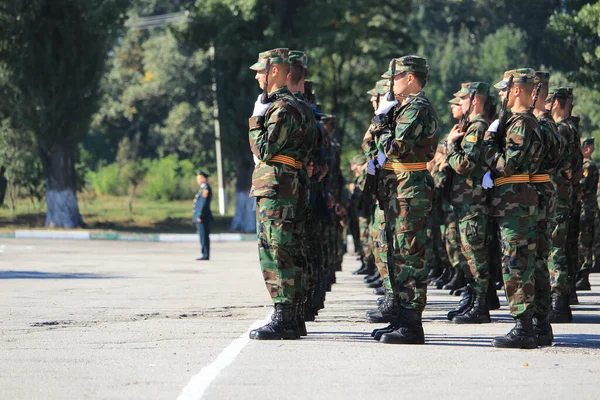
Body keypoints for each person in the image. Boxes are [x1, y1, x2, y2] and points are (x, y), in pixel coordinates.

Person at [368, 56, 440, 344]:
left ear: (411, 78)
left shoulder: (417, 108)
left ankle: (412, 324)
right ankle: (400, 316)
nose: (391, 82)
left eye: (395, 77)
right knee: (397, 253)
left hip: (410, 187)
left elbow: (395, 147)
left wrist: (381, 122)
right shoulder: (405, 108)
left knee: (409, 254)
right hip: (399, 187)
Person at [246, 48, 307, 340]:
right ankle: (291, 317)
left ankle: (285, 317)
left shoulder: (281, 108)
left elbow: (264, 149)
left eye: (260, 70)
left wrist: (256, 119)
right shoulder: (290, 105)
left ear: (274, 71)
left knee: (276, 249)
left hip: (277, 188)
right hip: (281, 185)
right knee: (282, 247)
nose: (257, 75)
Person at [484, 68, 543, 349]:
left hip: (516, 204)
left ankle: (524, 327)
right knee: (522, 261)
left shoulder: (521, 124)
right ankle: (533, 325)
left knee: (516, 264)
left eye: (504, 90)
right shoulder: (521, 121)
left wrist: (488, 144)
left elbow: (506, 164)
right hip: (516, 202)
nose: (500, 95)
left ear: (517, 90)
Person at [444, 82, 492, 324]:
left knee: (476, 255)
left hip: (474, 201)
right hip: (467, 201)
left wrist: (450, 146)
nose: (459, 104)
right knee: (469, 254)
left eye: (462, 100)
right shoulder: (471, 126)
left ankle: (480, 306)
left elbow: (465, 164)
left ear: (474, 101)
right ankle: (472, 299)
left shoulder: (477, 128)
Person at [577, 137, 598, 290]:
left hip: (586, 208)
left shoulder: (587, 166)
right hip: (587, 207)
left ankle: (583, 276)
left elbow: (581, 185)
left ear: (587, 149)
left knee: (584, 242)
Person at [192, 170, 213, 261]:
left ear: (204, 179)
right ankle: (204, 253)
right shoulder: (203, 188)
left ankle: (205, 254)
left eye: (200, 178)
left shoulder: (205, 189)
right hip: (202, 216)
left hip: (203, 217)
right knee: (202, 236)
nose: (198, 180)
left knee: (204, 236)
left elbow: (203, 203)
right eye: (198, 178)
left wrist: (200, 215)